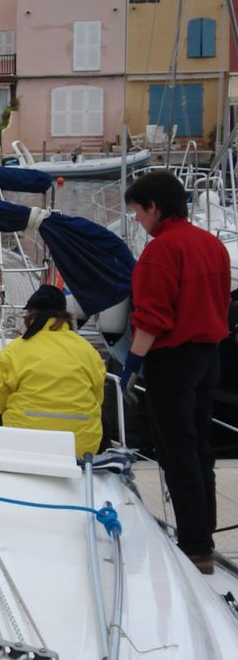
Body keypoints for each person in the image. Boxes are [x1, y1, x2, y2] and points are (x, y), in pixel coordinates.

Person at [121, 170, 231, 575]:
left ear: (154, 207)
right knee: (200, 447)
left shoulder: (161, 251)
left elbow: (152, 316)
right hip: (209, 355)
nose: (137, 220)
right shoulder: (212, 245)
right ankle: (203, 534)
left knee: (176, 451)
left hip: (173, 360)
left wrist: (133, 364)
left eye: (138, 211)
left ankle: (195, 549)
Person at [0, 285, 105, 458]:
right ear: (65, 315)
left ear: (31, 316)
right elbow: (98, 398)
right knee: (100, 418)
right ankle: (97, 466)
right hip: (79, 447)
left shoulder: (13, 351)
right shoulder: (88, 350)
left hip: (23, 443)